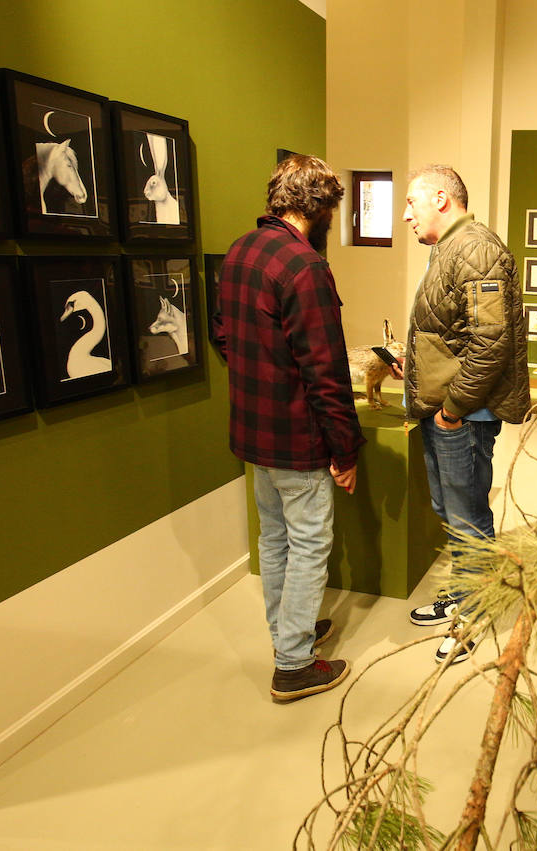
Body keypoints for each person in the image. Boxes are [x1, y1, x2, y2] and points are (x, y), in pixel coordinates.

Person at [216, 155, 363, 701]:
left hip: (254, 433)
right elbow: (325, 370)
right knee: (307, 543)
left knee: (275, 537)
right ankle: (295, 663)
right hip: (298, 438)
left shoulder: (240, 251)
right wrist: (346, 450)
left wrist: (261, 375)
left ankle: (287, 633)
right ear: (320, 207)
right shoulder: (304, 266)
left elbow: (222, 333)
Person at [393, 164, 530, 663]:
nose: (406, 215)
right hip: (447, 410)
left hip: (463, 415)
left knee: (467, 516)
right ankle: (465, 595)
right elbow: (457, 334)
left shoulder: (474, 249)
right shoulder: (450, 249)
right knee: (450, 513)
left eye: (412, 202)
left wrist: (452, 410)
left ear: (442, 198)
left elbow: (491, 345)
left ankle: (471, 615)